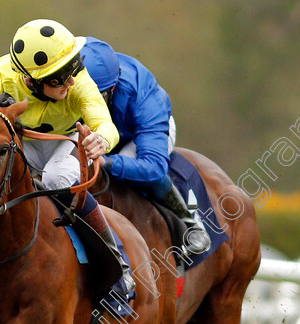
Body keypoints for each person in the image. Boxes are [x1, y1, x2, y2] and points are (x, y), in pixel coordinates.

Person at [0, 19, 134, 297]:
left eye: (73, 67)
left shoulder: (78, 83)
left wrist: (101, 139)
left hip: (64, 142)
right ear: (30, 81)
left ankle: (115, 261)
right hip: (18, 142)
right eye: (60, 77)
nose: (71, 80)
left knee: (57, 178)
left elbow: (105, 125)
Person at [79, 36, 211, 255]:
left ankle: (189, 223)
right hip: (103, 129)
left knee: (133, 170)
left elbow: (153, 167)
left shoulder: (145, 100)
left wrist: (108, 161)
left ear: (111, 90)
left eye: (95, 97)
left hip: (136, 134)